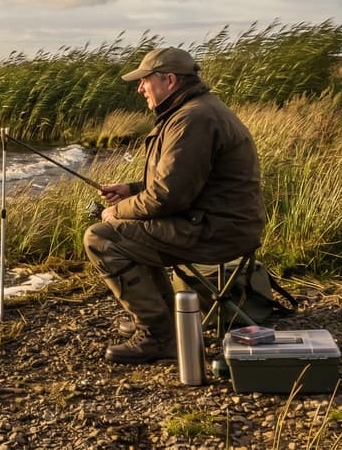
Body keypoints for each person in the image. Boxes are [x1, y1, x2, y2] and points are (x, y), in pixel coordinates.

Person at [83, 46, 265, 364]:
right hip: (218, 222)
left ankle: (159, 335)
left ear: (169, 80)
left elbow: (166, 197)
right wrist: (131, 190)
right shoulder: (196, 110)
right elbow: (182, 182)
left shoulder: (192, 119)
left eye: (145, 80)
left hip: (217, 231)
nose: (140, 89)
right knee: (130, 228)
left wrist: (116, 211)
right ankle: (166, 320)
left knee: (100, 237)